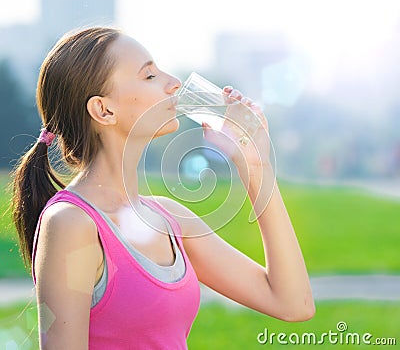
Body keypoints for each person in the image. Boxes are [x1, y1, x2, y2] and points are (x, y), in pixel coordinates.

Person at [11, 27, 315, 349]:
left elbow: (292, 303)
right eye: (149, 76)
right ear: (104, 110)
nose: (174, 83)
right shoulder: (71, 224)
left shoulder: (170, 219)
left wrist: (255, 167)